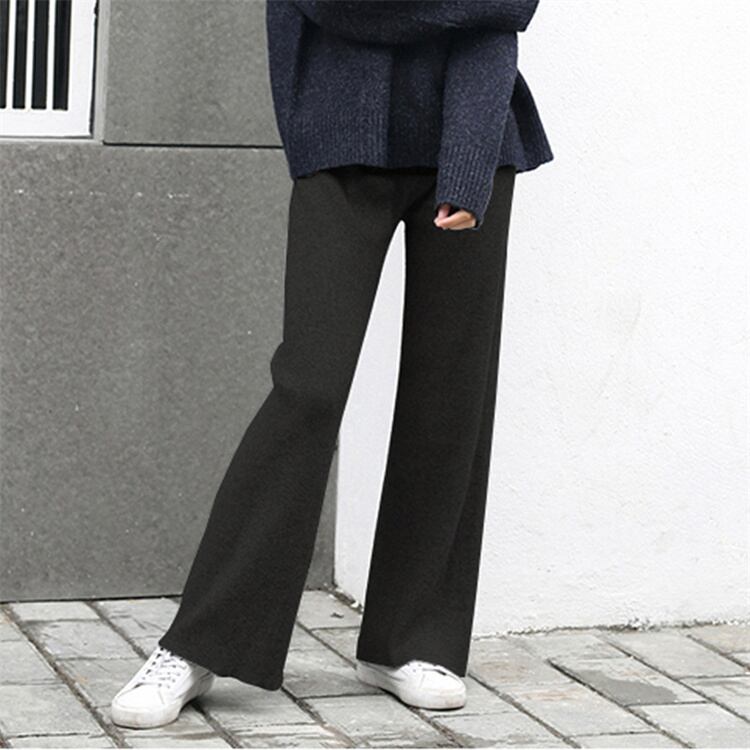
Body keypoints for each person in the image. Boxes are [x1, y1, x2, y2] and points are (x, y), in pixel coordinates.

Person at [110, 0, 553, 729]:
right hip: (340, 131)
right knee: (309, 387)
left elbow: (507, 9)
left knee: (451, 389)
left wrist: (471, 161)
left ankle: (411, 641)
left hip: (473, 133)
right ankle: (200, 643)